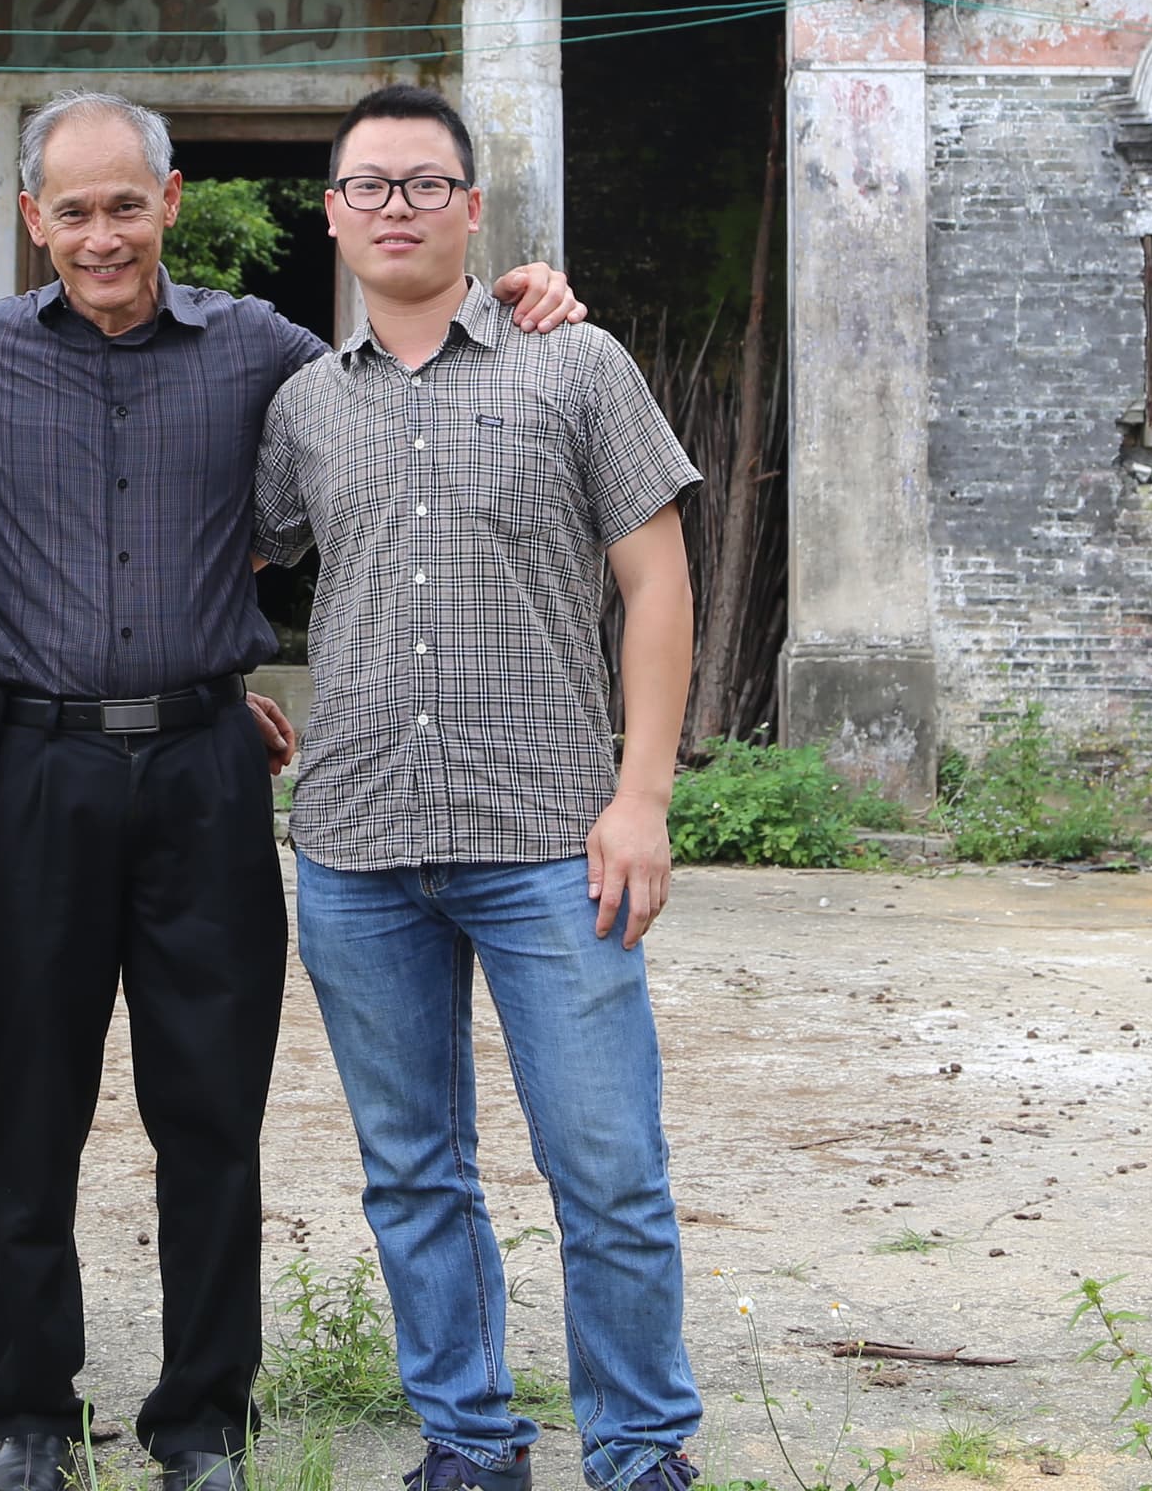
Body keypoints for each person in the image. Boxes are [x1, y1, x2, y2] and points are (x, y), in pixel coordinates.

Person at [0, 92, 584, 1491]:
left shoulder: (263, 349)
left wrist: (519, 293)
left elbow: (400, 356)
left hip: (208, 773)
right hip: (36, 774)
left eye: (124, 206)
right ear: (36, 220)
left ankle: (201, 1423)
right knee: (32, 1110)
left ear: (171, 201)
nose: (100, 236)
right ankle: (33, 1415)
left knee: (210, 1114)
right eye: (71, 211)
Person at [252, 84, 706, 1491]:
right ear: (332, 214)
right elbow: (217, 561)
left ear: (470, 208)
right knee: (413, 1175)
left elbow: (657, 583)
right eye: (370, 185)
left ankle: (636, 1451)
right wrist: (221, 689)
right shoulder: (300, 405)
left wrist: (644, 797)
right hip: (357, 843)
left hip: (553, 841)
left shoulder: (577, 368)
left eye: (424, 183)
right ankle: (471, 1439)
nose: (396, 206)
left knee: (609, 1170)